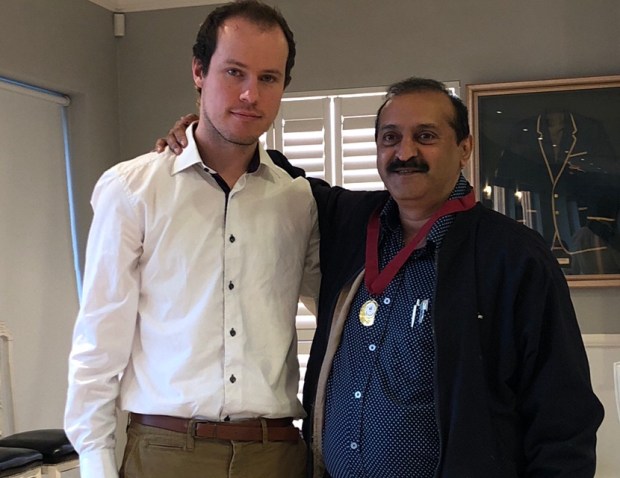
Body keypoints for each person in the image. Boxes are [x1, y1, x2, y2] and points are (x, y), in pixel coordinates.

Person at [160, 77, 603, 477]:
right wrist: (207, 135)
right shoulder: (350, 223)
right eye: (390, 138)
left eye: (425, 136)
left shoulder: (514, 257)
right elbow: (276, 176)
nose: (405, 153)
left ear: (464, 147)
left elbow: (563, 418)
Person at [64, 2, 320, 478]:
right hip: (167, 452)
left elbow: (343, 311)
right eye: (234, 72)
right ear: (199, 72)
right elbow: (99, 339)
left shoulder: (298, 201)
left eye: (268, 78)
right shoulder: (133, 190)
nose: (250, 93)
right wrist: (96, 462)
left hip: (276, 454)